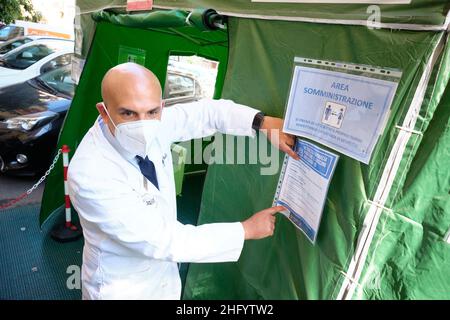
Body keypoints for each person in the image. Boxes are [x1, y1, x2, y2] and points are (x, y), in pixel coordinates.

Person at [67, 62, 298, 300]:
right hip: (122, 286)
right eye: (128, 113)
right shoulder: (90, 174)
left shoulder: (157, 123)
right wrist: (244, 230)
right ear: (104, 112)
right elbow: (164, 240)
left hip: (162, 278)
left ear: (161, 108)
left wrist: (262, 123)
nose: (143, 124)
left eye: (152, 112)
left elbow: (207, 113)